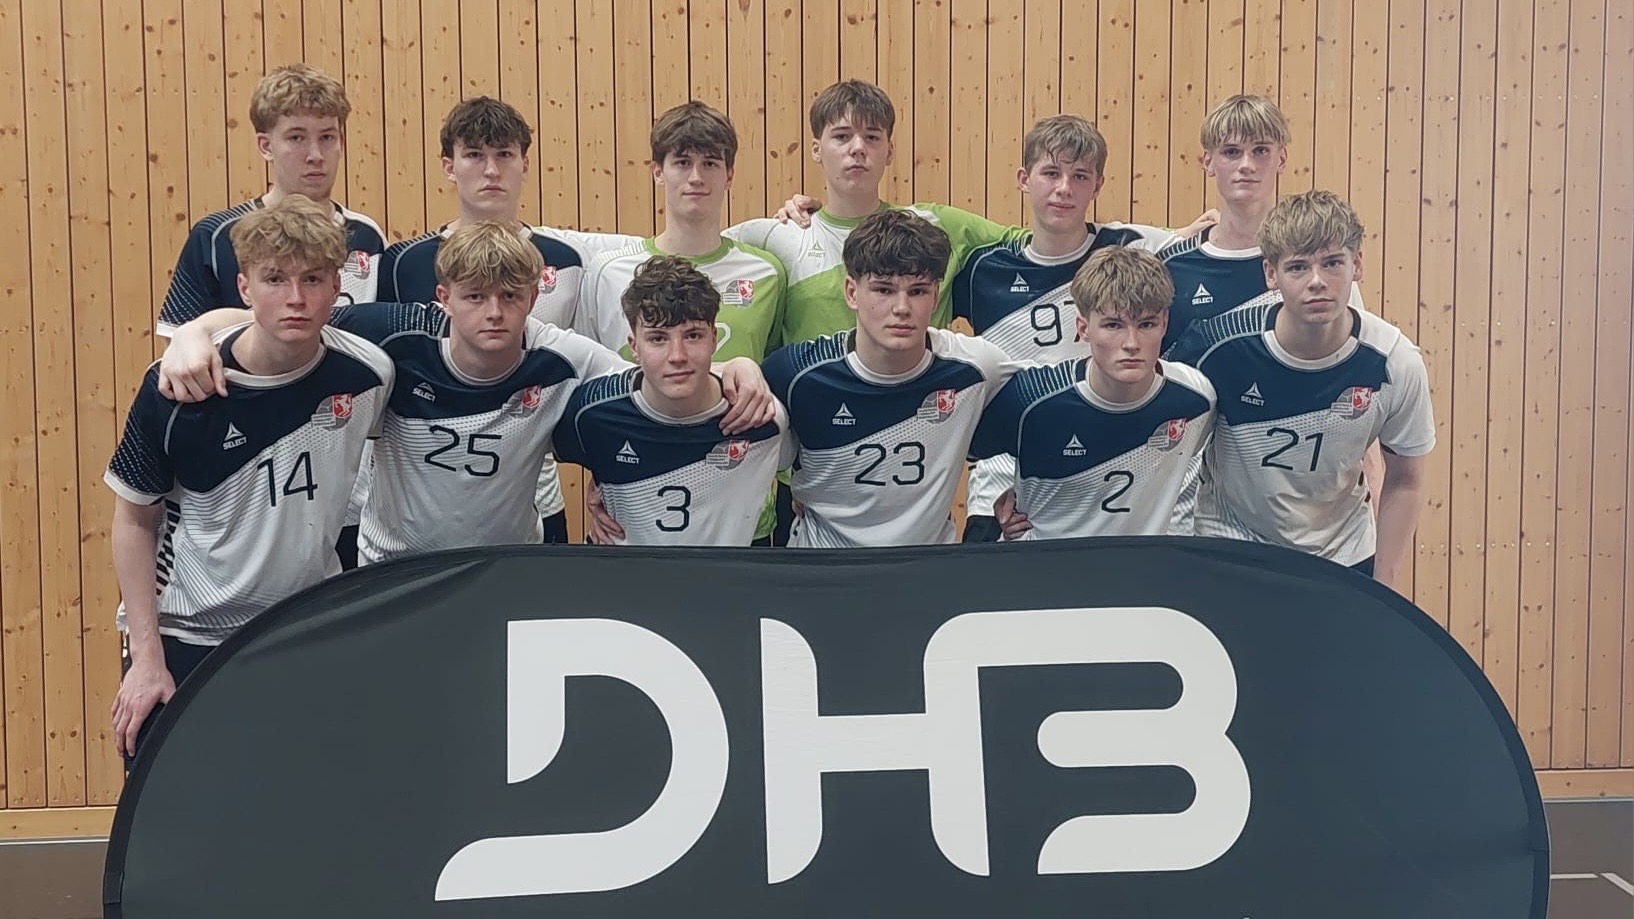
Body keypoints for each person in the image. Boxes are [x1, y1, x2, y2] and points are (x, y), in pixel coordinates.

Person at [157, 222, 777, 564]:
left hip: (504, 575)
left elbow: (660, 374)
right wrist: (193, 333)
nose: (494, 312)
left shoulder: (562, 358)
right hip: (392, 570)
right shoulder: (394, 339)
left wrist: (737, 365)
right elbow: (285, 324)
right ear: (443, 299)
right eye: (475, 297)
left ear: (533, 298)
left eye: (509, 296)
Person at [109, 195, 395, 759]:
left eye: (312, 279)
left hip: (303, 628)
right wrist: (146, 658)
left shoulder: (369, 374)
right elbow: (134, 521)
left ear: (337, 286)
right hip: (188, 635)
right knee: (176, 809)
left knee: (299, 804)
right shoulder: (178, 388)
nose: (295, 298)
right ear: (244, 288)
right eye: (275, 279)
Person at [374, 96, 639, 545]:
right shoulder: (404, 262)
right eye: (475, 155)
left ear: (525, 163)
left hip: (533, 497)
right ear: (449, 166)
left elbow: (590, 379)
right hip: (420, 504)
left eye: (504, 154)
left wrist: (605, 473)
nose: (491, 170)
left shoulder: (567, 258)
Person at [953, 114, 1207, 541]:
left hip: (1098, 475)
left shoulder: (1133, 247)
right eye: (1051, 173)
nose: (1064, 188)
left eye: (1080, 176)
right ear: (1024, 179)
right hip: (1004, 482)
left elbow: (1214, 244)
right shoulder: (981, 271)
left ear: (1098, 185)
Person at [1166, 190, 1433, 592]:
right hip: (1232, 550)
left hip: (1342, 555)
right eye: (1297, 267)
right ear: (1270, 274)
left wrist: (1385, 584)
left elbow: (1406, 479)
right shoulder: (1214, 346)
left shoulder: (1395, 362)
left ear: (1357, 265)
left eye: (1332, 263)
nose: (1317, 281)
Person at [575, 100, 788, 544]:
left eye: (710, 163)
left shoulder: (766, 272)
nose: (696, 177)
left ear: (730, 174)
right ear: (657, 171)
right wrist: (599, 471)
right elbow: (594, 385)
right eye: (682, 162)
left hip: (741, 511)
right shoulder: (609, 272)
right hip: (635, 511)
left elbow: (773, 376)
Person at [762, 209, 1022, 547]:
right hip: (822, 568)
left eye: (917, 291)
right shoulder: (795, 375)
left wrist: (1026, 489)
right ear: (851, 292)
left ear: (935, 296)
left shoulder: (975, 367)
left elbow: (1058, 399)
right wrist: (738, 367)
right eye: (884, 290)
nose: (901, 307)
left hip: (926, 568)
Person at [972, 247, 1215, 540]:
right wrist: (1013, 497)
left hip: (1141, 565)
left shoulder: (1197, 398)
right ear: (1083, 328)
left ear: (1165, 323)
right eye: (1113, 325)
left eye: (1146, 324)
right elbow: (958, 447)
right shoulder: (1030, 397)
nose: (1131, 343)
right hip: (1042, 563)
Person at [554, 257, 791, 546]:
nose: (677, 356)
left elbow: (811, 469)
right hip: (622, 573)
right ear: (634, 347)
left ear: (714, 338)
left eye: (692, 336)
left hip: (725, 574)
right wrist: (602, 481)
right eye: (658, 339)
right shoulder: (590, 414)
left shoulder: (762, 417)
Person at [157, 64, 386, 336]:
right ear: (266, 146)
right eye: (297, 138)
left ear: (342, 142)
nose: (315, 154)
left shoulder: (368, 236)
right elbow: (178, 344)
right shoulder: (217, 236)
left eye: (327, 137)